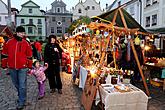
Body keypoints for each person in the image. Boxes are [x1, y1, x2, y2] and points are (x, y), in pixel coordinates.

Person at [1, 26, 32, 110]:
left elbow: (29, 55)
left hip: (23, 67)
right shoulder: (9, 42)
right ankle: (23, 98)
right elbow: (4, 54)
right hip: (12, 67)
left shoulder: (26, 43)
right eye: (22, 33)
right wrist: (4, 65)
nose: (23, 34)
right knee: (16, 84)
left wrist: (29, 66)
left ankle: (21, 102)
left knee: (22, 85)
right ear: (17, 32)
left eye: (24, 33)